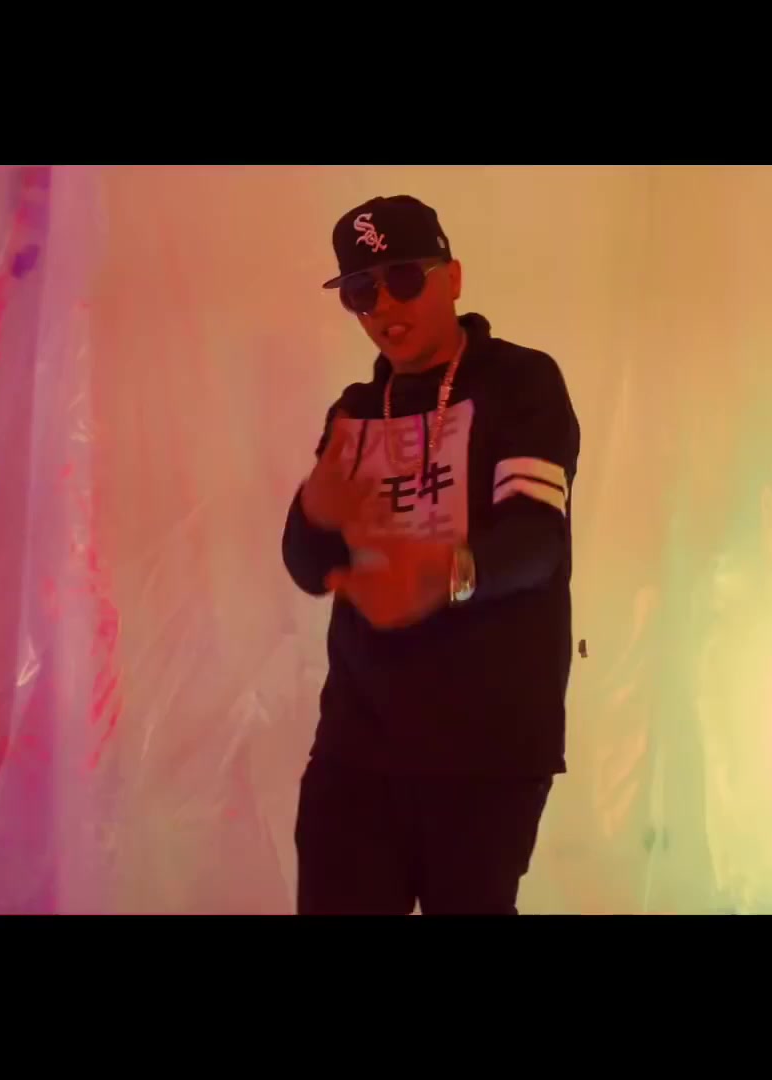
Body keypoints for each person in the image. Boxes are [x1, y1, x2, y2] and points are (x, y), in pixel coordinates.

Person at [281, 195, 581, 915]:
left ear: (453, 278)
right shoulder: (355, 410)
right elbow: (307, 564)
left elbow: (537, 540)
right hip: (358, 749)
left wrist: (444, 575)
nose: (384, 304)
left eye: (405, 277)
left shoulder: (520, 382)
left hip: (488, 752)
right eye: (361, 290)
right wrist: (313, 507)